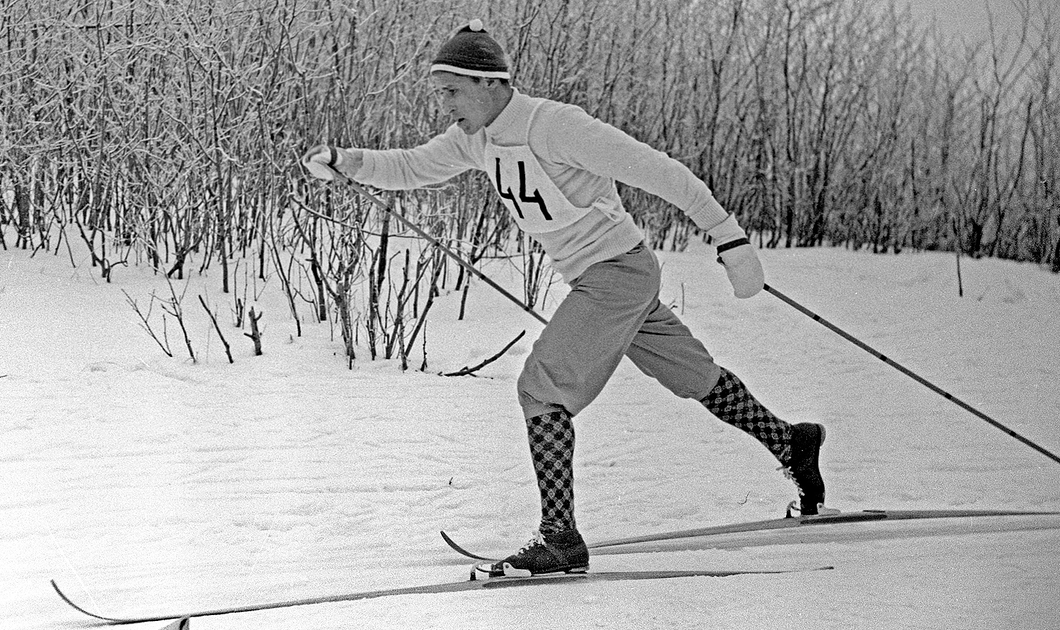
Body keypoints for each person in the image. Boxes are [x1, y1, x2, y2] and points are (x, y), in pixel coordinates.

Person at [303, 20, 829, 578]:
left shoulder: (556, 127)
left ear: (489, 83)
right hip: (603, 279)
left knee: (541, 385)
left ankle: (560, 538)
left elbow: (661, 172)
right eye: (441, 92)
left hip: (617, 274)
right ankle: (792, 442)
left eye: (452, 90)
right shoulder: (476, 138)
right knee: (693, 376)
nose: (446, 105)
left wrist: (730, 237)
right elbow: (411, 166)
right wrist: (346, 160)